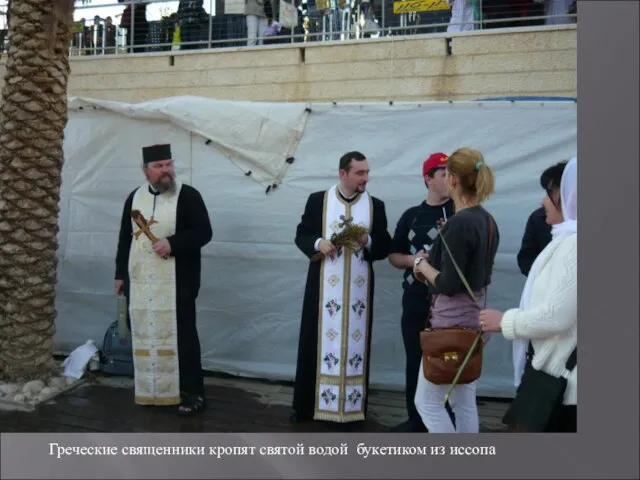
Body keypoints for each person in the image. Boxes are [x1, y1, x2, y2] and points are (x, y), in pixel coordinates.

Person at [291, 151, 392, 426]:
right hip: (323, 288)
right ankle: (307, 408)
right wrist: (317, 243)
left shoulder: (375, 206)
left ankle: (353, 409)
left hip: (358, 293)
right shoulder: (319, 201)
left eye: (367, 172)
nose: (366, 178)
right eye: (360, 173)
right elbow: (301, 234)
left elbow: (384, 246)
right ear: (343, 174)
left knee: (355, 348)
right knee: (314, 341)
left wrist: (367, 239)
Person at [114, 143, 213, 416]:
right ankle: (153, 390)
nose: (165, 171)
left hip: (178, 283)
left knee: (183, 338)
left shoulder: (188, 196)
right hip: (142, 283)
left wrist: (173, 244)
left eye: (168, 164)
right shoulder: (134, 199)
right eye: (158, 167)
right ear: (145, 170)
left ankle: (193, 393)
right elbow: (125, 238)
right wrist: (120, 274)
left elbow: (204, 232)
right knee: (146, 335)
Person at [480, 157, 577, 432]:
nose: (542, 202)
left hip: (564, 385)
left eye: (549, 194)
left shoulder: (574, 245)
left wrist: (505, 321)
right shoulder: (566, 238)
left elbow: (557, 316)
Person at [412, 147, 500, 433]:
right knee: (464, 400)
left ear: (451, 179)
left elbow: (449, 283)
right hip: (475, 322)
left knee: (427, 403)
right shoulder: (487, 220)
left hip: (451, 325)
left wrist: (421, 264)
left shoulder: (460, 223)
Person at [388, 152, 455, 433]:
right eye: (442, 174)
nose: (450, 179)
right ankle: (416, 420)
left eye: (451, 174)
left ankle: (447, 420)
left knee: (446, 361)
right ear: (428, 179)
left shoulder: (458, 213)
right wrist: (414, 261)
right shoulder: (412, 216)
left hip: (449, 302)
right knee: (415, 358)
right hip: (416, 299)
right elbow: (393, 255)